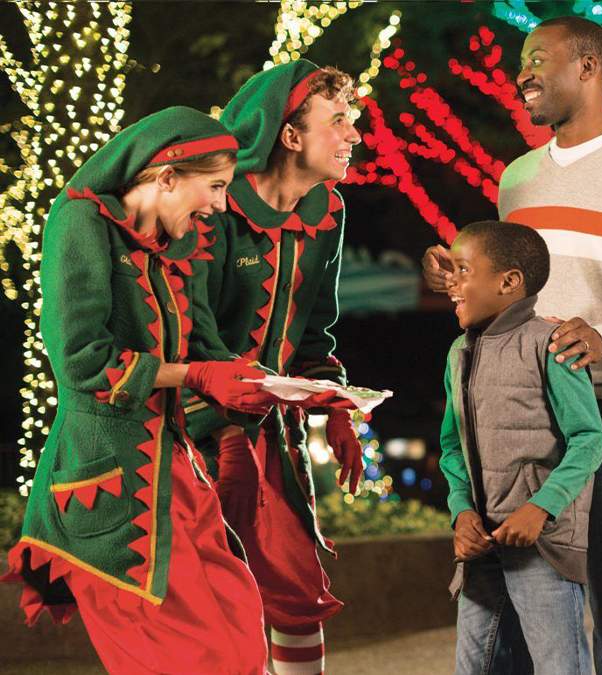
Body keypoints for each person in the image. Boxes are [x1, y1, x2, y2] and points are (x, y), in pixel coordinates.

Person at [423, 17, 602, 673]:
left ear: (588, 67)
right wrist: (462, 276)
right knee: (525, 600)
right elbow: (511, 286)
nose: (521, 73)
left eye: (536, 58)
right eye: (522, 60)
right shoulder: (518, 178)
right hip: (529, 412)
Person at [1, 107, 275, 673]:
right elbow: (83, 364)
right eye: (215, 187)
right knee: (192, 657)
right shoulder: (82, 222)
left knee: (241, 632)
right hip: (109, 484)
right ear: (167, 176)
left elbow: (205, 349)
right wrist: (196, 377)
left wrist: (283, 389)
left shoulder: (176, 246)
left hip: (179, 472)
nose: (221, 206)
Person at [186, 59, 363, 674]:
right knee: (209, 596)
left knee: (294, 589)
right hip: (189, 427)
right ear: (289, 135)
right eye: (337, 120)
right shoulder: (213, 206)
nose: (353, 135)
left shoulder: (328, 210)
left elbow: (315, 330)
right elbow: (188, 333)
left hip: (269, 432)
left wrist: (335, 407)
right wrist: (220, 428)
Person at [438, 221, 602, 674]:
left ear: (508, 281)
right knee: (473, 666)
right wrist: (462, 512)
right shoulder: (458, 353)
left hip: (542, 546)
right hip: (480, 546)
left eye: (463, 270)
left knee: (559, 666)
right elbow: (452, 447)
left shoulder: (551, 344)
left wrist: (540, 509)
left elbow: (589, 439)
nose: (450, 281)